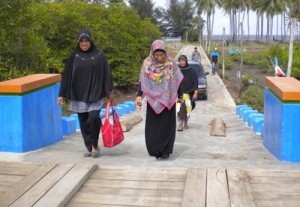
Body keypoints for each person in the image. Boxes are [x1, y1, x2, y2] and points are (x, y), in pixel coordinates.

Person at [57, 29, 113, 158]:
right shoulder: (74, 56)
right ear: (78, 42)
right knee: (83, 121)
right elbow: (67, 76)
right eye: (81, 41)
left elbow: (106, 73)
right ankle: (90, 147)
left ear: (90, 41)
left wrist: (109, 91)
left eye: (86, 41)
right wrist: (61, 94)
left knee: (93, 118)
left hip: (96, 92)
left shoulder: (99, 55)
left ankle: (95, 145)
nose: (84, 43)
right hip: (78, 93)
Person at [135, 39, 184, 160]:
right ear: (152, 53)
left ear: (165, 53)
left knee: (167, 126)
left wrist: (180, 96)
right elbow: (142, 81)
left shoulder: (171, 64)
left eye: (162, 54)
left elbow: (178, 80)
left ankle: (166, 150)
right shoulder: (147, 64)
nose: (159, 57)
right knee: (154, 127)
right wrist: (139, 95)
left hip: (168, 101)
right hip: (153, 101)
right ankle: (155, 149)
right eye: (156, 55)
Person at [177, 55, 198, 131]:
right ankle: (180, 124)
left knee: (188, 108)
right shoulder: (177, 71)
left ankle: (185, 120)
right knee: (180, 108)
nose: (181, 62)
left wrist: (195, 92)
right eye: (180, 61)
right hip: (180, 93)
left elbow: (195, 82)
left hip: (189, 93)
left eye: (182, 60)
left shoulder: (191, 71)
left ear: (185, 61)